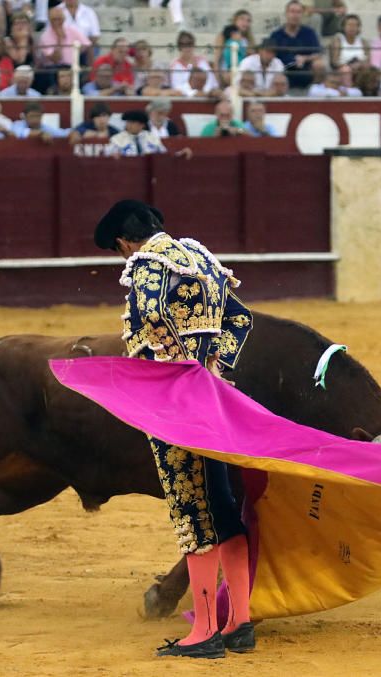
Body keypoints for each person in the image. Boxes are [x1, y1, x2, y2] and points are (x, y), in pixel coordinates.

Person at [92, 199, 255, 659]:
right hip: (215, 400)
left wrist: (174, 373)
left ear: (124, 242)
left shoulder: (146, 267)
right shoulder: (202, 259)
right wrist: (210, 368)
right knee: (222, 505)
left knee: (193, 512)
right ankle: (239, 622)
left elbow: (151, 318)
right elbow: (240, 319)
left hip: (178, 409)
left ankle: (204, 632)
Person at [269, 0, 322, 88]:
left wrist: (305, 58)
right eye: (292, 11)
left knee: (319, 65)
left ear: (302, 14)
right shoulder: (276, 35)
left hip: (305, 69)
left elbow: (318, 54)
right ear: (286, 13)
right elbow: (270, 56)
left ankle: (315, 92)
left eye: (298, 12)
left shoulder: (309, 32)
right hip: (283, 70)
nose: (295, 15)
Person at [38, 5, 91, 70]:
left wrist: (78, 52)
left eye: (59, 19)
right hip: (53, 68)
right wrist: (59, 40)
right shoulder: (45, 36)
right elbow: (56, 59)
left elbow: (87, 44)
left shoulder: (72, 30)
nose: (57, 22)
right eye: (54, 19)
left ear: (63, 19)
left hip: (71, 66)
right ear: (50, 21)